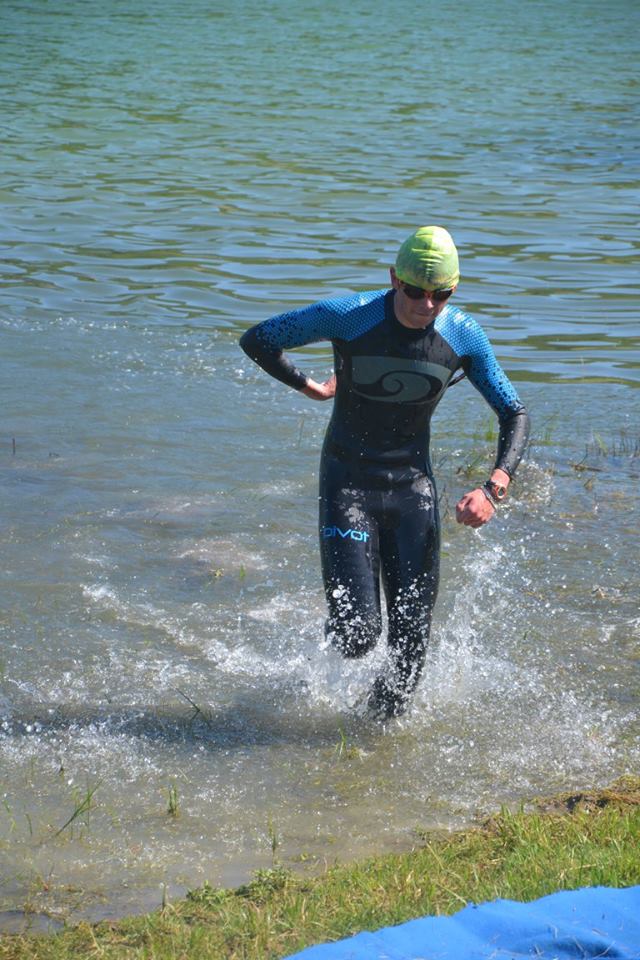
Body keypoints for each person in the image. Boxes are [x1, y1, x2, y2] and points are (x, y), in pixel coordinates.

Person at [239, 226, 529, 720]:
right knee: (357, 634)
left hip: (413, 491)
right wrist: (311, 387)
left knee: (410, 653)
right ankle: (321, 653)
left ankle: (365, 742)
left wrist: (494, 486)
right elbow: (259, 339)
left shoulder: (463, 335)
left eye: (440, 294)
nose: (426, 304)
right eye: (414, 290)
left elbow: (513, 413)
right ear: (394, 278)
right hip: (348, 483)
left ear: (454, 289)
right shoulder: (350, 316)